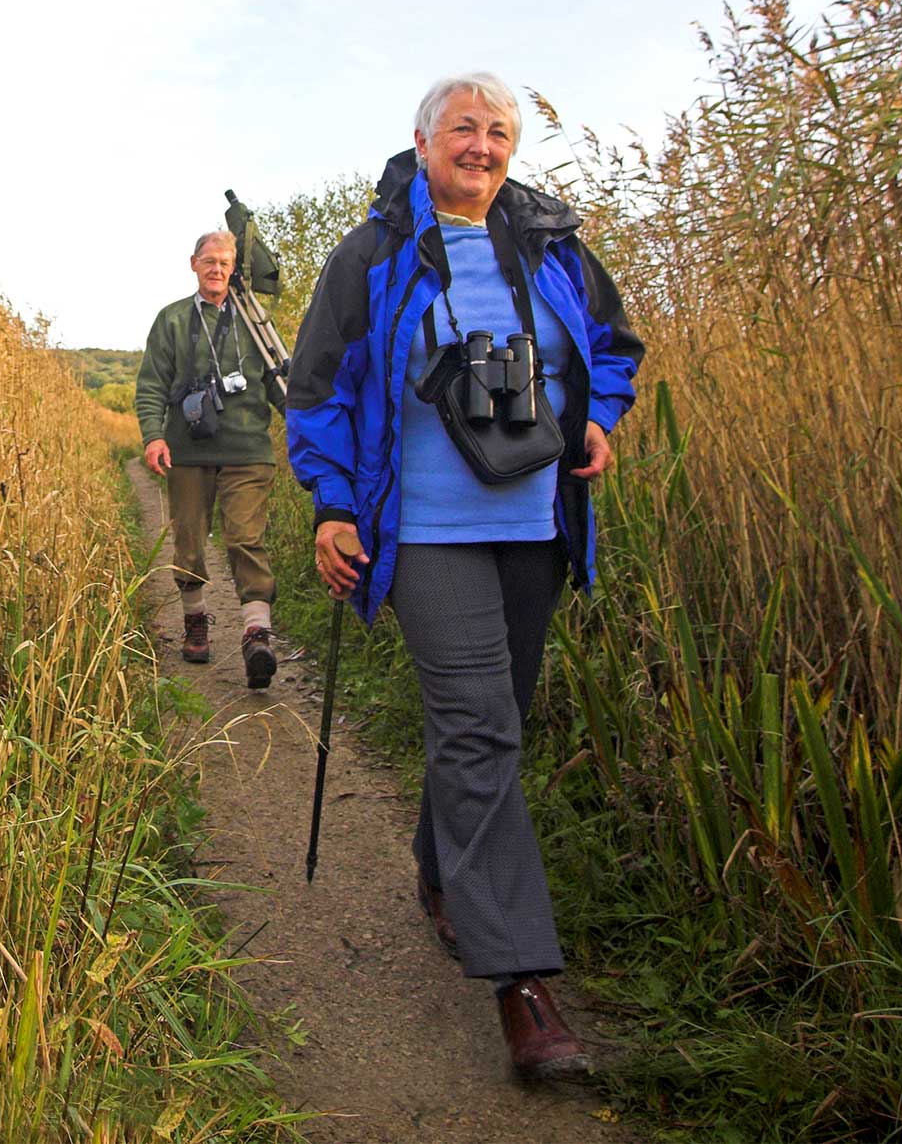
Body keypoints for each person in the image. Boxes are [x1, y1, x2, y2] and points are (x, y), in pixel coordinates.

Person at [284, 71, 644, 1081]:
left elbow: (611, 350)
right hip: (427, 532)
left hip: (532, 525)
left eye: (496, 131)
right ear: (420, 139)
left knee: (500, 718)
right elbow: (316, 388)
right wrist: (332, 502)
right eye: (461, 129)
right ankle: (522, 984)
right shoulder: (374, 252)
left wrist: (600, 420)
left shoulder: (554, 243)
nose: (480, 145)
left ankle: (443, 872)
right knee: (478, 723)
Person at [135, 228, 281, 687]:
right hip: (190, 450)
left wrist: (312, 432)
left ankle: (257, 635)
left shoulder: (255, 323)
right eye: (209, 261)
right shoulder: (173, 319)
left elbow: (282, 382)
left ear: (235, 268)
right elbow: (152, 384)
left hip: (248, 450)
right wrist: (155, 437)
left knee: (244, 539)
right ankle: (196, 622)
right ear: (193, 264)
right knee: (190, 541)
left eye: (225, 262)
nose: (216, 269)